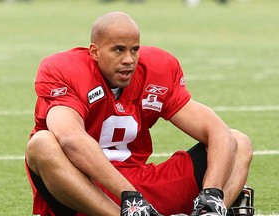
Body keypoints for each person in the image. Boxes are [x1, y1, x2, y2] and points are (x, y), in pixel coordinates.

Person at [25, 11, 253, 216]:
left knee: (238, 142)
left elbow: (216, 131)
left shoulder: (156, 69)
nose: (128, 60)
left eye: (134, 49)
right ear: (94, 51)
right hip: (84, 189)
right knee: (41, 143)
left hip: (140, 185)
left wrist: (212, 192)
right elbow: (70, 139)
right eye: (118, 50)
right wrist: (130, 198)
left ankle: (209, 212)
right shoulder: (64, 70)